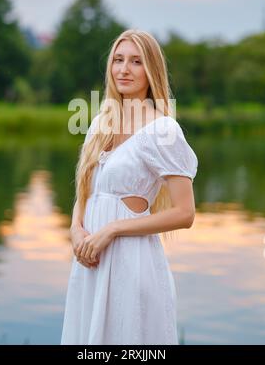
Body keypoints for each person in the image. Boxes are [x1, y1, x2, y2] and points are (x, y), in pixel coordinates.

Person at [60, 29, 198, 345]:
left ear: (151, 71)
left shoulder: (162, 129)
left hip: (131, 261)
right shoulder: (100, 122)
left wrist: (112, 230)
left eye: (136, 62)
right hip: (90, 259)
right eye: (118, 60)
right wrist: (75, 230)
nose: (124, 69)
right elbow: (86, 190)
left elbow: (185, 213)